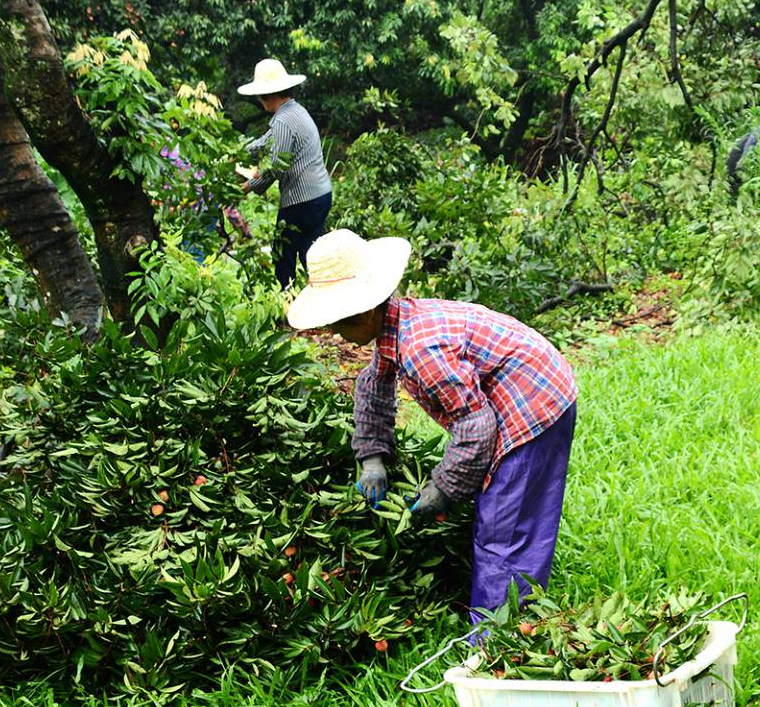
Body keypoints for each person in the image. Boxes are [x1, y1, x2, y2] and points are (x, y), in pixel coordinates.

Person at [287, 230, 578, 621]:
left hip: (533, 400)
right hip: (532, 384)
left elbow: (475, 427)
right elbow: (374, 385)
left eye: (339, 324)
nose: (335, 333)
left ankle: (498, 641)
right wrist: (371, 457)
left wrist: (444, 486)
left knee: (504, 529)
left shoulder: (420, 350)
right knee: (509, 516)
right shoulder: (397, 325)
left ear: (367, 312)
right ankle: (516, 621)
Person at [238, 58, 333, 288]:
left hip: (301, 201)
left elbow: (277, 166)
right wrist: (239, 153)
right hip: (321, 194)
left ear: (269, 95)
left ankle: (287, 304)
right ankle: (326, 300)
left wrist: (250, 187)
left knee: (282, 255)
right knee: (311, 253)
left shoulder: (282, 120)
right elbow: (266, 142)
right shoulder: (296, 111)